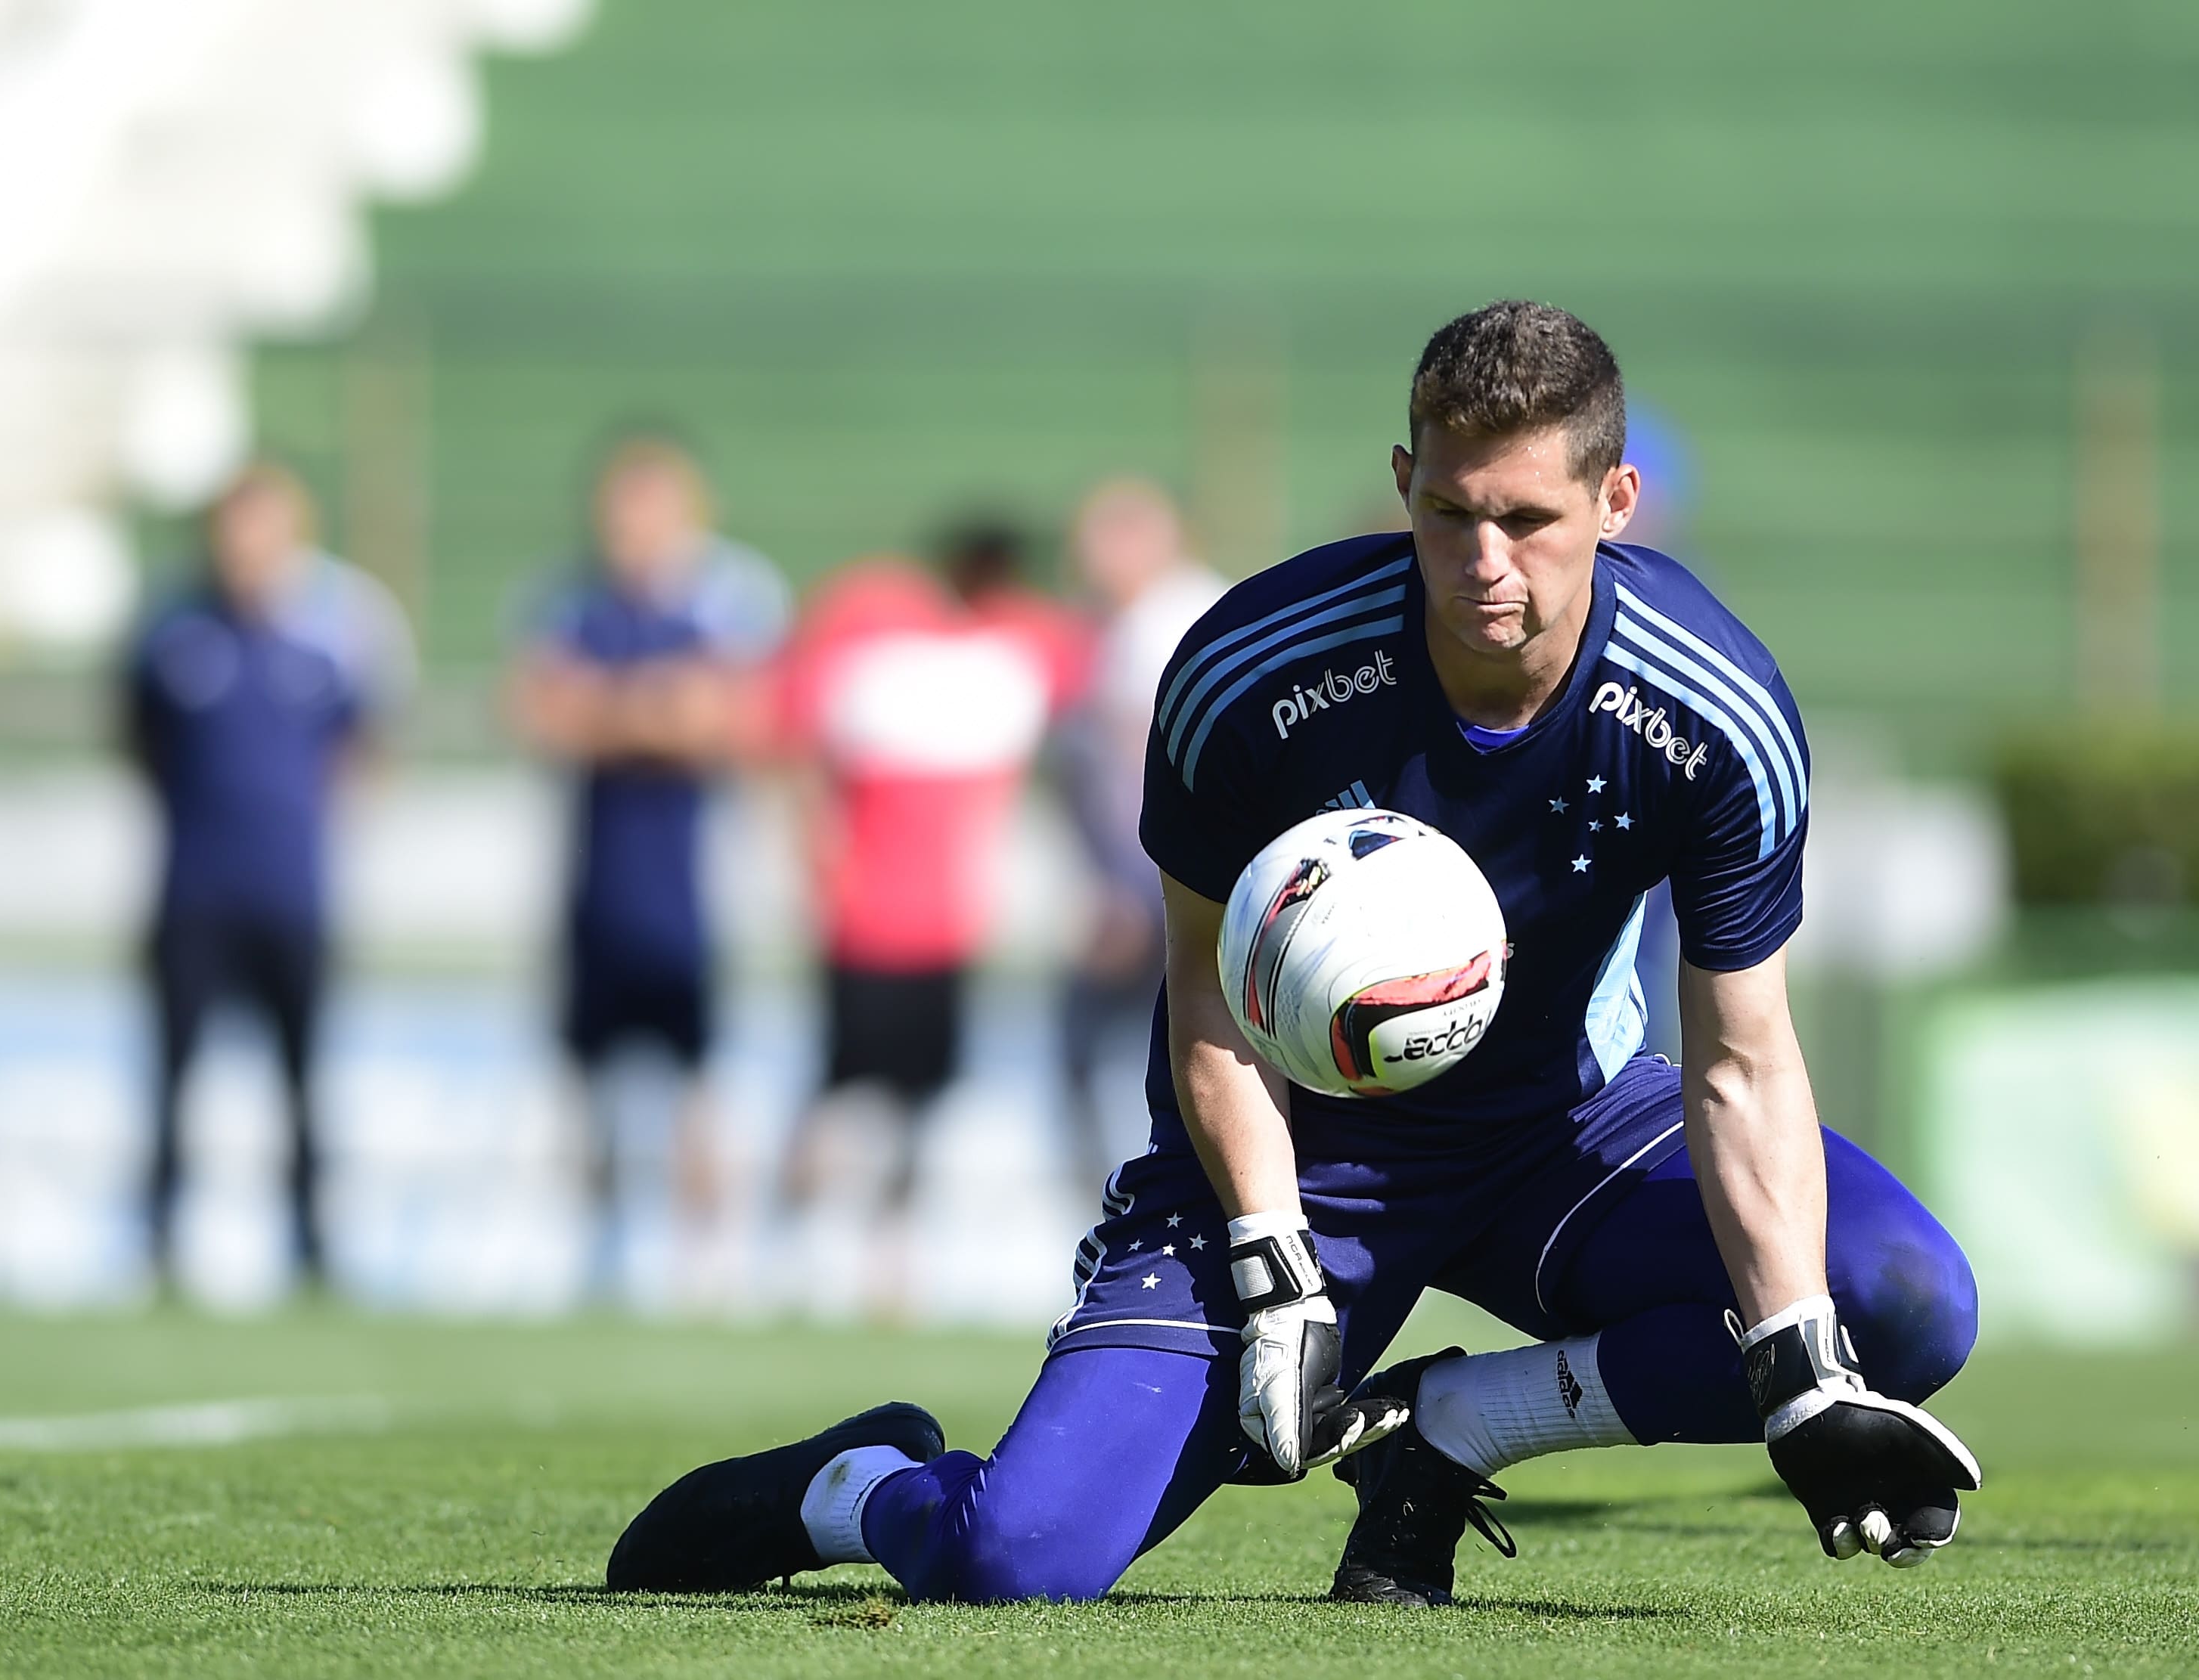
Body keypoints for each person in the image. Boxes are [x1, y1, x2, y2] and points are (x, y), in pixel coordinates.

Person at [607, 302, 1980, 1604]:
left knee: (1898, 1308)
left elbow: (1742, 1060)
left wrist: (1794, 1369)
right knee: (1015, 1559)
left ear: (1614, 503)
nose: (1483, 563)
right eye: (1448, 512)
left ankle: (1451, 1429)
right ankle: (850, 1487)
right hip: (1292, 1155)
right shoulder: (1251, 672)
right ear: (1401, 479)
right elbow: (1202, 998)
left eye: (1526, 518)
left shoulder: (1710, 708)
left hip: (1563, 1133)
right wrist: (1272, 1257)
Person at [767, 524, 1084, 1310]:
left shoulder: (1015, 648)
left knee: (917, 1100)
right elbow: (793, 730)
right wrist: (811, 850)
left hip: (945, 926)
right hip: (862, 917)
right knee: (839, 1088)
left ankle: (888, 1259)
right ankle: (783, 1241)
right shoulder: (876, 630)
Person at [123, 461, 414, 1290]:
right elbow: (139, 738)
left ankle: (312, 1243)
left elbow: (366, 746)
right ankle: (159, 1238)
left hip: (293, 893)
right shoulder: (173, 632)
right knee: (174, 1072)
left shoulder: (337, 631)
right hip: (194, 892)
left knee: (304, 1078)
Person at [508, 436, 786, 1297]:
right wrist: (660, 707)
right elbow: (540, 711)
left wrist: (611, 706)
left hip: (691, 893)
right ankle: (596, 1256)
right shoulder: (567, 600)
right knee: (586, 1085)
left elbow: (731, 718)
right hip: (593, 887)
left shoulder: (731, 599)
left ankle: (704, 1267)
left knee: (697, 1085)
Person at [1052, 480, 1225, 1192]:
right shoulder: (1125, 624)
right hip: (1159, 885)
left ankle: (1140, 1204)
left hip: (1166, 889)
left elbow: (1148, 776)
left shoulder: (1166, 624)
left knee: (1164, 1048)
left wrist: (1129, 890)